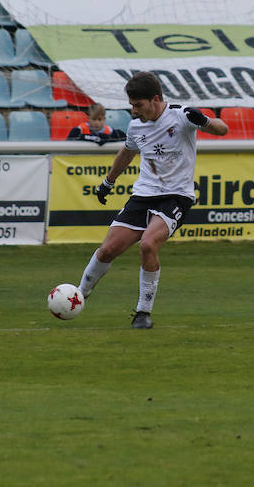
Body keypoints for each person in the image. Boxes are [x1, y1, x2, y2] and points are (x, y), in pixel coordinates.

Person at [76, 71, 228, 329]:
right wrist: (108, 182)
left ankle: (143, 313)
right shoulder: (136, 125)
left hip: (176, 196)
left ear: (156, 99)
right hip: (143, 195)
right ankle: (78, 296)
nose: (134, 111)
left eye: (139, 105)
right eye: (132, 105)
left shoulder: (181, 116)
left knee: (148, 245)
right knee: (107, 250)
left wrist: (203, 120)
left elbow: (222, 130)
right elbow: (127, 151)